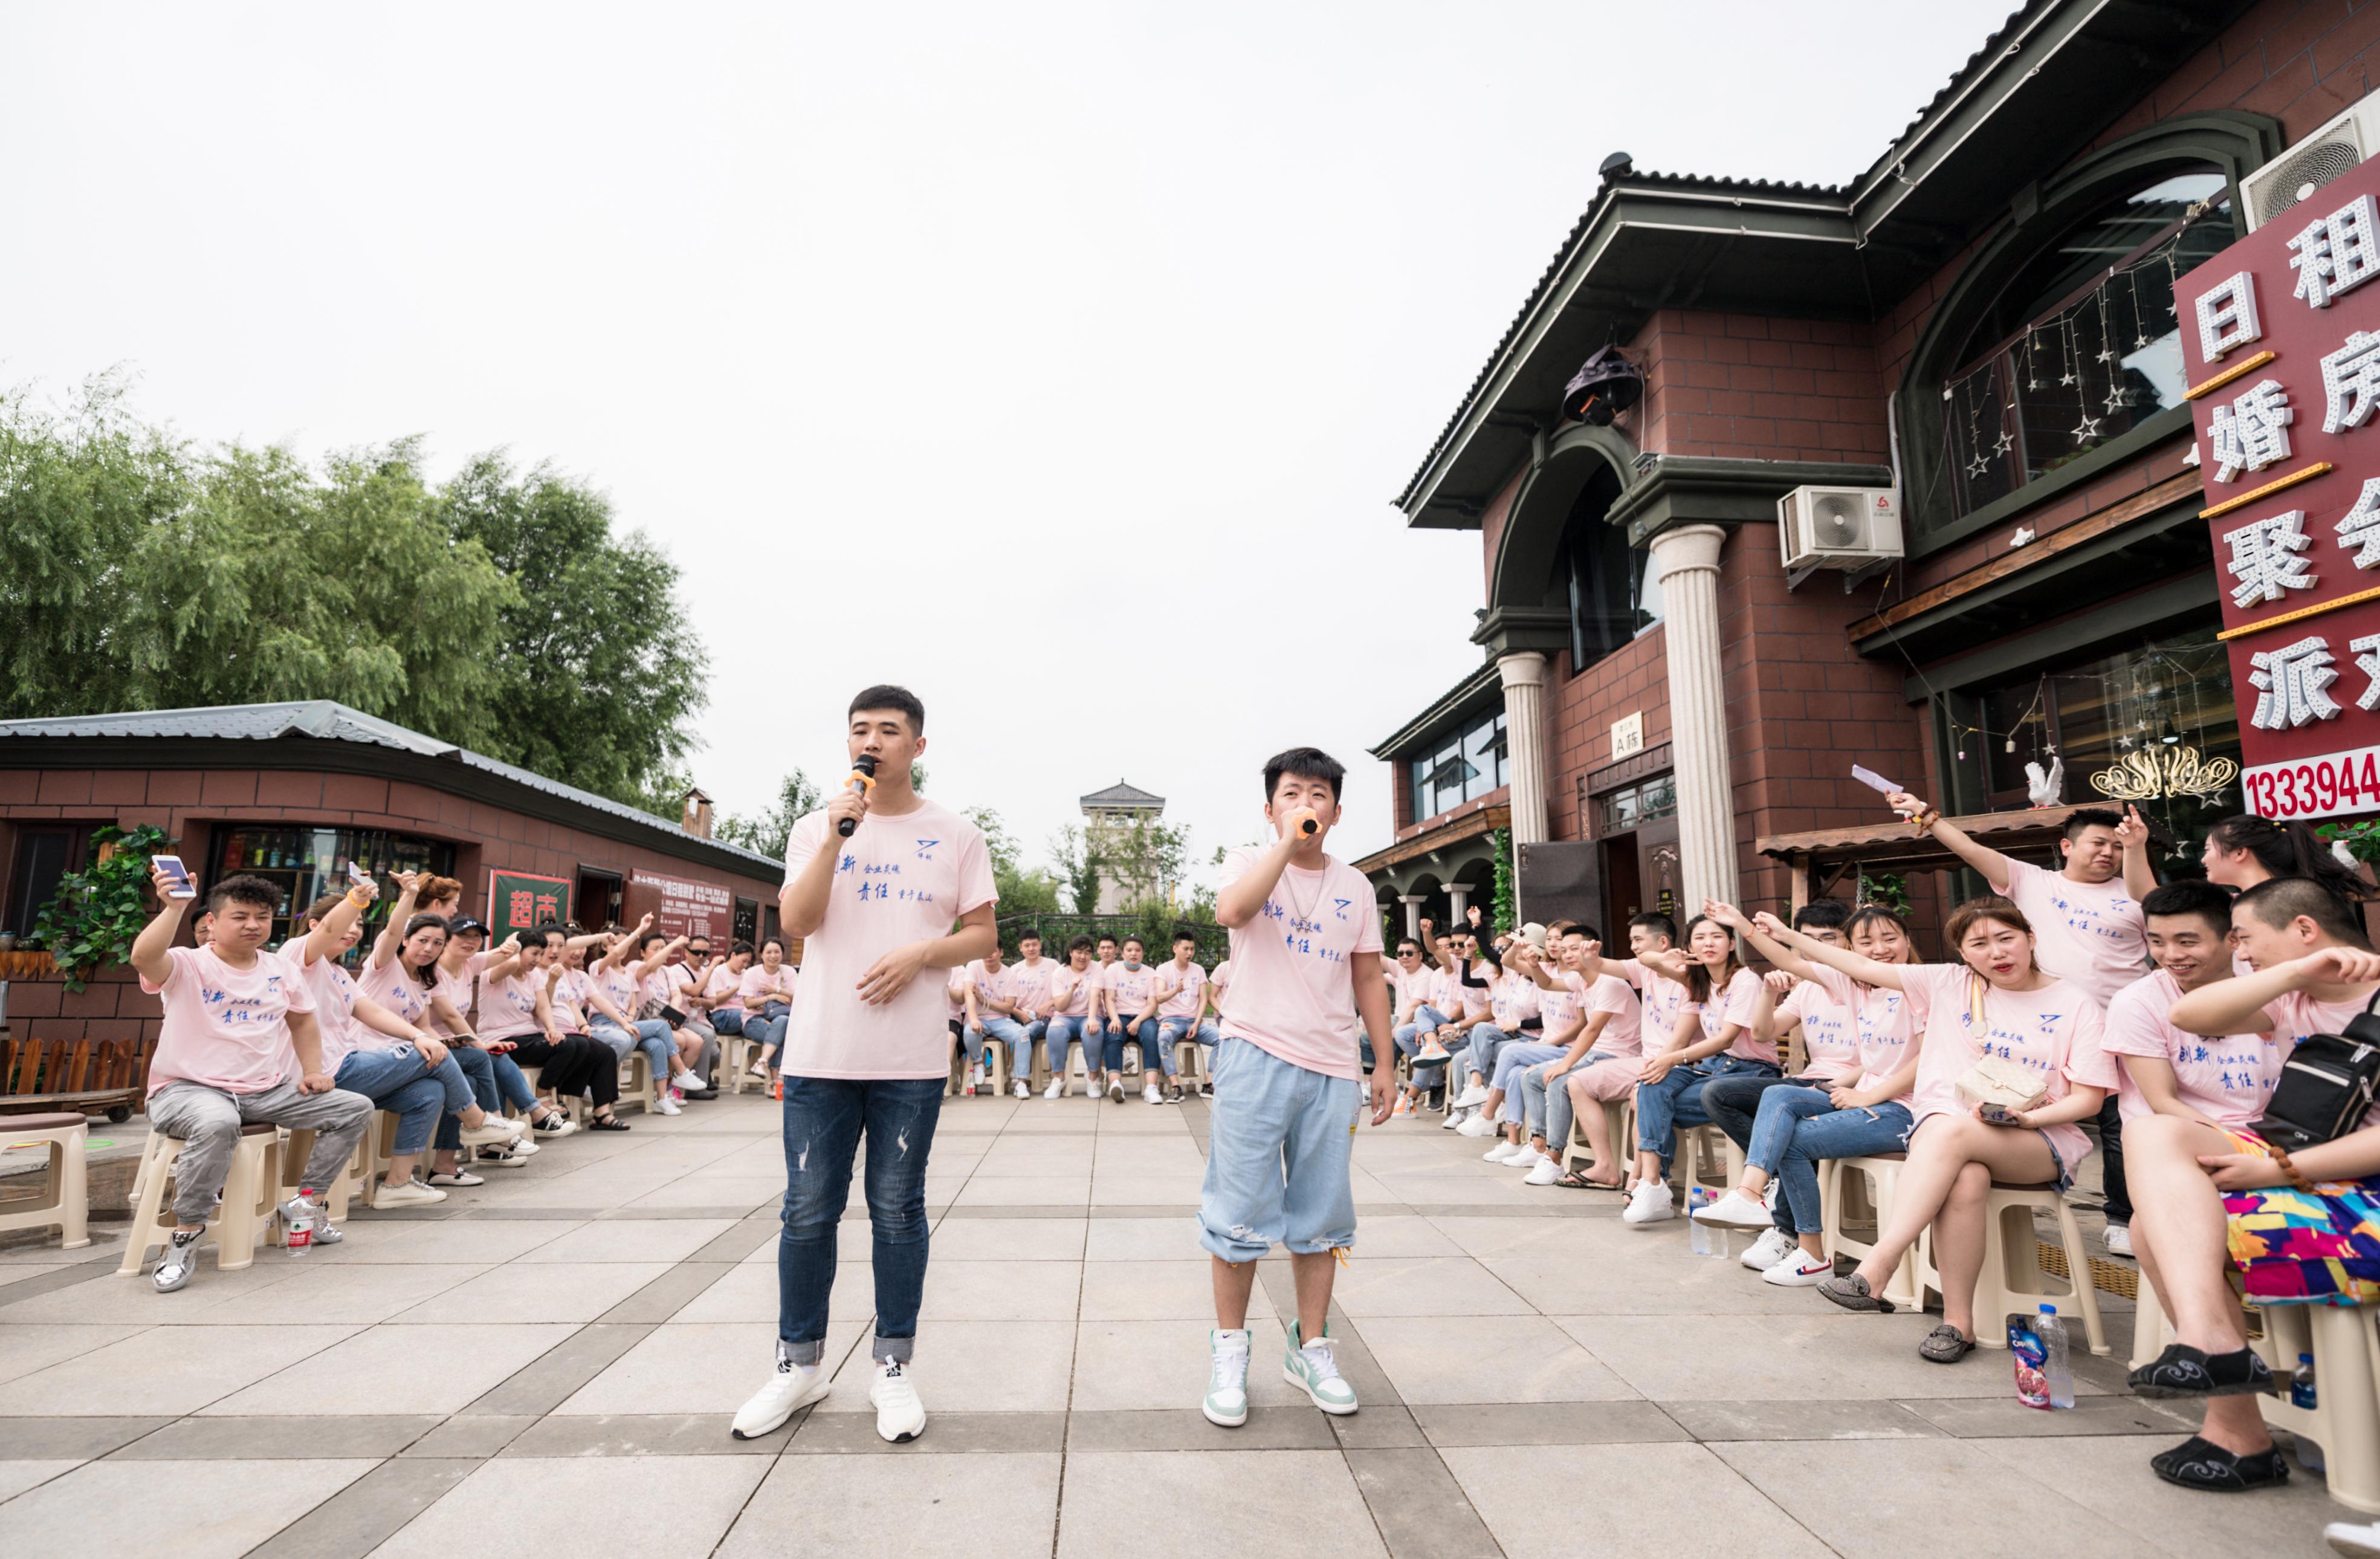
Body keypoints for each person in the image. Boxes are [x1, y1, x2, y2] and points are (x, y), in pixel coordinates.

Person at [731, 685, 997, 1447]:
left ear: (917, 745)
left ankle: (892, 1364)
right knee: (807, 1209)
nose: (871, 741)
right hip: (822, 1050)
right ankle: (797, 1363)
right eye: (859, 730)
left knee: (897, 1208)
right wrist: (834, 837)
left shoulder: (955, 833)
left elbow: (981, 936)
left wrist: (921, 953)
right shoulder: (816, 824)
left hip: (909, 1057)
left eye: (887, 729)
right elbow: (798, 920)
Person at [2123, 877, 2380, 1493]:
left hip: (2360, 1198)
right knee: (2154, 1137)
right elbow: (2187, 1013)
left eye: (2244, 937)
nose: (2239, 951)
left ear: (2304, 928)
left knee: (2150, 1228)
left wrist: (2275, 1171)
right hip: (2321, 1178)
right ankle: (2209, 1339)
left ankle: (2237, 1431)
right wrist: (2294, 972)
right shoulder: (2295, 999)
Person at [1794, 896, 2115, 1362]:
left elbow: (2088, 1100)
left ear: (2030, 937)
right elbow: (1856, 963)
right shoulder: (1949, 982)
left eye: (2006, 938)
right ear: (1963, 953)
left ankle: (1879, 1263)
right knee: (1966, 1174)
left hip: (2037, 1136)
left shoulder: (2077, 1003)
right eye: (1979, 944)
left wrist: (2029, 1118)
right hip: (1950, 1125)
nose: (1996, 952)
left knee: (1953, 1134)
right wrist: (1776, 934)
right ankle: (1959, 1324)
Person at [1200, 747, 1391, 1428]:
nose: (1305, 803)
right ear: (1269, 807)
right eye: (1291, 792)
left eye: (1317, 794)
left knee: (1322, 1216)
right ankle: (1230, 1351)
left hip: (1333, 1065)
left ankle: (1310, 1347)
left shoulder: (1356, 885)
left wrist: (1384, 1062)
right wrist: (1285, 845)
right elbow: (1231, 911)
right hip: (1253, 1054)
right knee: (1239, 1213)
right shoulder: (1248, 860)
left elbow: (1367, 976)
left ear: (1337, 811)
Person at [1888, 791, 2156, 1253]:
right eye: (2099, 842)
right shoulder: (2033, 881)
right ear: (2067, 845)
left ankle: (2123, 1215)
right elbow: (1971, 849)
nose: (2108, 852)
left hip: (2123, 1025)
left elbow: (2157, 907)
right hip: (2049, 1024)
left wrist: (2136, 850)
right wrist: (1926, 816)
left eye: (2116, 845)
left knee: (2122, 1127)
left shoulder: (2132, 892)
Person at [131, 868, 374, 1292]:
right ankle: (186, 1233)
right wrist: (173, 907)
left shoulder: (281, 969)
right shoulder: (188, 963)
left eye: (262, 917)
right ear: (212, 921)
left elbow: (303, 1021)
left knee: (355, 1107)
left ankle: (307, 1203)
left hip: (264, 1089)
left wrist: (313, 1071)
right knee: (218, 1121)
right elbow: (143, 959)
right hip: (187, 1088)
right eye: (240, 916)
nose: (253, 925)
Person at [1692, 901, 1925, 1285]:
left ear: (1907, 940)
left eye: (1890, 938)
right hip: (1854, 1094)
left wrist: (1867, 1095)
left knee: (1792, 1136)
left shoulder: (1921, 985)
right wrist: (1745, 927)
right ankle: (1754, 1197)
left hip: (1904, 1108)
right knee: (1778, 1097)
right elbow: (1792, 962)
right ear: (1852, 949)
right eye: (1867, 942)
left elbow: (1928, 1058)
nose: (1880, 949)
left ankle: (1802, 1244)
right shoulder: (1855, 985)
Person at [347, 900, 528, 1198]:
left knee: (440, 1088)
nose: (429, 948)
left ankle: (400, 1183)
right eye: (423, 941)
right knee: (473, 1058)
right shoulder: (385, 965)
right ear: (405, 940)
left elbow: (424, 1028)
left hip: (402, 1060)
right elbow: (391, 930)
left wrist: (448, 1042)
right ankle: (479, 1122)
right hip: (367, 1058)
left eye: (437, 944)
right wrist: (409, 893)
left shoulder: (425, 979)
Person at [1620, 913, 1771, 1226]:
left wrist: (1671, 1059)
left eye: (1717, 937)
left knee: (1658, 1104)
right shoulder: (1697, 983)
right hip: (1713, 1069)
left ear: (1732, 944)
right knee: (1651, 1087)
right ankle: (1653, 1184)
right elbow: (1647, 960)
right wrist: (1657, 1067)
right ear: (1689, 947)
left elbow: (1725, 1039)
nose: (1708, 944)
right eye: (1700, 938)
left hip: (1752, 1072)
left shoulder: (1745, 981)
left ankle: (1651, 1184)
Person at [1513, 925, 1639, 1186]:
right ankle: (1539, 1145)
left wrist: (1565, 1064)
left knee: (1558, 1080)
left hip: (1619, 1055)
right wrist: (1535, 966)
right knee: (1530, 1077)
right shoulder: (1581, 979)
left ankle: (1554, 1157)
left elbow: (1592, 1029)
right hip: (1597, 1052)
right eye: (1565, 949)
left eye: (1575, 949)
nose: (1568, 954)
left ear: (1592, 949)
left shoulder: (1610, 983)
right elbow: (1548, 983)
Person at [538, 933, 632, 1129]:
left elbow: (572, 1003)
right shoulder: (538, 973)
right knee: (578, 1046)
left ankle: (602, 1114)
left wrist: (583, 1025)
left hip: (572, 1031)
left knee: (605, 1053)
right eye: (550, 946)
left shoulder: (562, 973)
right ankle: (553, 1094)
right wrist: (600, 937)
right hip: (550, 1032)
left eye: (560, 946)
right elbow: (542, 1005)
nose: (555, 951)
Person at [2201, 814, 2371, 904]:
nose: (2203, 860)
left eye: (2208, 849)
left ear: (2239, 852)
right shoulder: (2252, 903)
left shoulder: (2279, 905)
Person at [1104, 935, 1173, 1103]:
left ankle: (1151, 1088)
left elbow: (1152, 1004)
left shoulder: (1150, 973)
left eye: (1137, 950)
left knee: (1152, 1035)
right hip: (1119, 1015)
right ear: (1122, 953)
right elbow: (1109, 999)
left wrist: (1137, 1021)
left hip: (1143, 1016)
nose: (1133, 954)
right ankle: (1116, 1084)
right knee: (1113, 1034)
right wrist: (1114, 1018)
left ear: (1143, 953)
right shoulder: (1113, 970)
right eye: (1129, 950)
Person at [1155, 930, 1218, 1098]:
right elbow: (1159, 997)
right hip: (1171, 1020)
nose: (1190, 953)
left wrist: (1197, 1023)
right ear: (1175, 949)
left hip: (1194, 1021)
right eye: (1186, 949)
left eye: (1192, 949)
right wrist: (1176, 990)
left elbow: (1203, 1000)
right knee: (1163, 1037)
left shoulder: (1199, 970)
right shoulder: (1163, 969)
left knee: (1223, 1037)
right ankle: (1175, 1086)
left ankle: (1209, 1083)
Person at [1041, 936, 1100, 1098]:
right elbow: (1060, 1006)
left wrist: (1092, 1018)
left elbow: (1095, 994)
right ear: (1071, 952)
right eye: (1079, 952)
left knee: (1093, 1032)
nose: (1083, 957)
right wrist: (1072, 989)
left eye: (1088, 952)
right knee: (1055, 1031)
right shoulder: (1060, 973)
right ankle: (1059, 1078)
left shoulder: (1096, 968)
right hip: (1065, 1016)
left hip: (1088, 1014)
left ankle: (1093, 1077)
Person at [1002, 931, 1059, 1098]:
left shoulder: (1053, 966)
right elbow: (1006, 1000)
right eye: (1027, 946)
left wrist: (1050, 1003)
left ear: (1040, 945)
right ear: (1020, 948)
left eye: (1034, 944)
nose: (1031, 949)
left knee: (1028, 1032)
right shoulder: (1015, 970)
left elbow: (1063, 992)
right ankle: (1002, 1067)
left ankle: (1020, 1073)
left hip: (1044, 1017)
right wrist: (1017, 1012)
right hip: (1018, 1015)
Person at [959, 942, 1021, 1095]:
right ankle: (978, 1063)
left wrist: (985, 1001)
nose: (989, 955)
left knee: (1023, 1035)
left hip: (1001, 1019)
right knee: (970, 1032)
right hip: (979, 1018)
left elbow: (1009, 1007)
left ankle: (1021, 1080)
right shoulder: (973, 966)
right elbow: (969, 994)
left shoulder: (1009, 974)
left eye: (993, 951)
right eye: (985, 951)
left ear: (1001, 952)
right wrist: (973, 1019)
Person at [739, 938, 796, 1086]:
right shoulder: (752, 973)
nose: (773, 956)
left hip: (781, 1019)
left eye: (777, 952)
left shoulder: (788, 971)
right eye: (769, 952)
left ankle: (761, 1063)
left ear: (782, 954)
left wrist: (777, 989)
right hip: (754, 1020)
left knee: (781, 1022)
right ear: (762, 955)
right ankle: (776, 1084)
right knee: (780, 1035)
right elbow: (748, 1003)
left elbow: (799, 996)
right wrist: (773, 997)